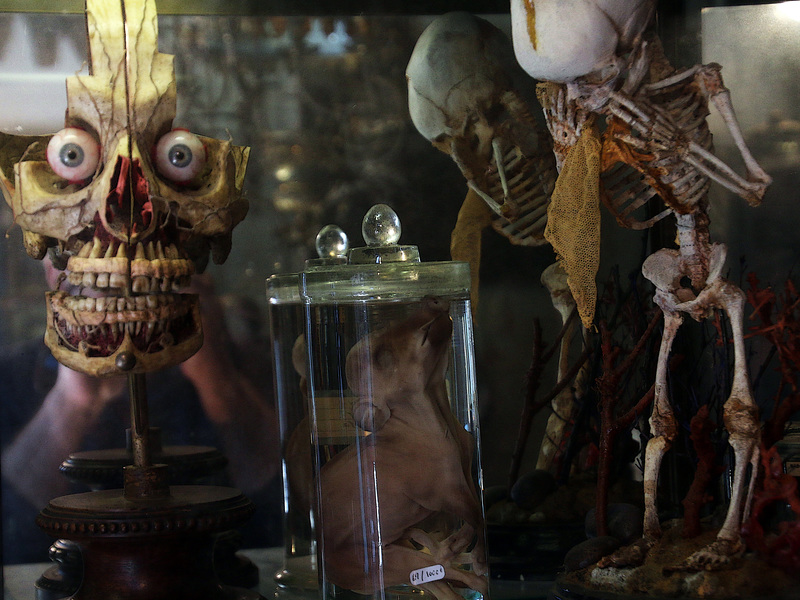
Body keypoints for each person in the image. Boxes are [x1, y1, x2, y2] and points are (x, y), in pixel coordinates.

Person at [0, 258, 282, 564]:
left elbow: (283, 512)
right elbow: (13, 531)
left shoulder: (252, 362)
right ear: (54, 272)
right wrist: (75, 394)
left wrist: (212, 370)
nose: (124, 276)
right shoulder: (13, 377)